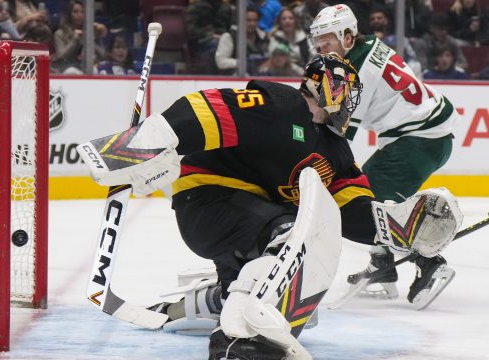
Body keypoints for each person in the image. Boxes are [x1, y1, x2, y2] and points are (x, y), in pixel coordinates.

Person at [78, 53, 462, 359]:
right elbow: (204, 107)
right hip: (209, 203)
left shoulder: (336, 151)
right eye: (349, 90)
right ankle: (239, 339)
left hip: (246, 224)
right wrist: (139, 147)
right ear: (329, 85)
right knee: (288, 237)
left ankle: (213, 301)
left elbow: (350, 209)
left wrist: (401, 228)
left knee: (295, 305)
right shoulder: (281, 105)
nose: (351, 101)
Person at [310, 4, 460, 308]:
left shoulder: (350, 73)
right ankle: (382, 264)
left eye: (327, 39)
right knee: (367, 193)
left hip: (418, 140)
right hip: (420, 134)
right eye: (317, 40)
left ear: (348, 36)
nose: (320, 46)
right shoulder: (366, 46)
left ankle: (431, 262)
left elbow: (335, 136)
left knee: (367, 207)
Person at [52, 0, 107, 74]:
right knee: (71, 72)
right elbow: (61, 56)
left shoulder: (92, 31)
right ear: (69, 14)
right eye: (76, 12)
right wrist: (74, 40)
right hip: (67, 68)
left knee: (98, 71)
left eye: (82, 12)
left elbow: (102, 54)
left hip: (88, 68)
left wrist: (89, 40)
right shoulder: (59, 34)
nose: (80, 15)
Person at [214, 6, 269, 76]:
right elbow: (220, 62)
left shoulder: (263, 37)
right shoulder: (229, 37)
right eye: (248, 20)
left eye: (255, 20)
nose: (252, 23)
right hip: (235, 78)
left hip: (261, 76)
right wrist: (241, 63)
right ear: (241, 21)